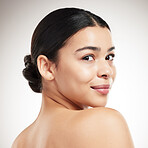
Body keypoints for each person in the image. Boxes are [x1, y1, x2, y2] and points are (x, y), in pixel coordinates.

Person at [12, 7, 134, 148]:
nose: (107, 70)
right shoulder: (104, 122)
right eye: (88, 57)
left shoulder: (20, 142)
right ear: (46, 67)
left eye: (109, 57)